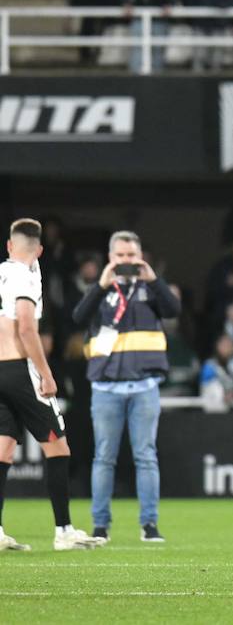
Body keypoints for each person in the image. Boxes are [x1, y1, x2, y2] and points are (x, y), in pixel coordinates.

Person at [0, 219, 106, 552]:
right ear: (40, 250)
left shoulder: (2, 271)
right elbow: (27, 327)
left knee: (3, 449)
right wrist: (45, 372)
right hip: (20, 370)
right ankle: (64, 530)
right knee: (58, 447)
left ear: (8, 245)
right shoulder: (25, 274)